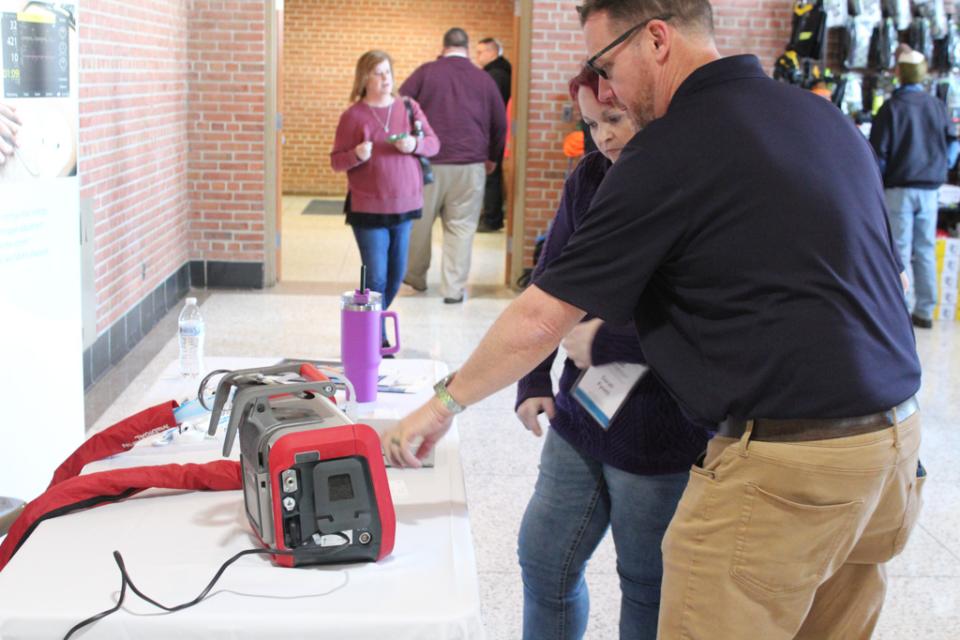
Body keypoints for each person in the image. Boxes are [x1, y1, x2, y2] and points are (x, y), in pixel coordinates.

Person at [383, 1, 924, 638]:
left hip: (784, 466)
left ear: (657, 40)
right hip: (891, 453)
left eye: (607, 62)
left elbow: (539, 318)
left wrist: (442, 404)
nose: (608, 87)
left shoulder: (675, 144)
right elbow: (878, 279)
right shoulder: (818, 116)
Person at [515, 65, 709, 640]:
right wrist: (533, 380)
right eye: (591, 123)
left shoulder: (696, 183)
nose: (602, 136)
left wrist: (605, 341)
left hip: (663, 429)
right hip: (582, 415)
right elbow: (549, 284)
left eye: (614, 119)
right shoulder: (591, 176)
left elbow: (701, 320)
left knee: (646, 585)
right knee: (544, 561)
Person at [400, 28, 507, 304]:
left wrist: (410, 145)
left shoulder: (425, 73)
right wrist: (492, 157)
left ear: (444, 46)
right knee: (461, 227)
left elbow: (401, 106)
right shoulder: (483, 79)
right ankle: (453, 289)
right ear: (467, 48)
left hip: (426, 164)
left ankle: (415, 280)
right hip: (470, 164)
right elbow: (500, 124)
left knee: (418, 226)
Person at [330, 50, 440, 317]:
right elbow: (336, 161)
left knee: (395, 275)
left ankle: (371, 323)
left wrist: (415, 144)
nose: (385, 78)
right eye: (378, 73)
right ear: (364, 78)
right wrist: (356, 155)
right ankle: (374, 333)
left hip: (406, 203)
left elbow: (434, 144)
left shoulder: (409, 108)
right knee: (376, 278)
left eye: (387, 72)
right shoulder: (353, 116)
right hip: (368, 207)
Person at [870, 49, 957, 329]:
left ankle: (900, 312)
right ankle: (925, 310)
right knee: (926, 248)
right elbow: (954, 141)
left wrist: (874, 186)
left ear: (900, 73)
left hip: (899, 189)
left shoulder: (891, 108)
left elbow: (878, 155)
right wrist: (945, 164)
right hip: (931, 189)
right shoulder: (936, 105)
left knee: (900, 251)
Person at [476, 37, 512, 233]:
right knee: (491, 174)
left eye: (480, 52)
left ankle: (491, 218)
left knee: (491, 175)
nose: (478, 57)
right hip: (498, 131)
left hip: (493, 132)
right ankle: (491, 215)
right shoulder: (501, 71)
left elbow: (491, 107)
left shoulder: (496, 75)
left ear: (492, 52)